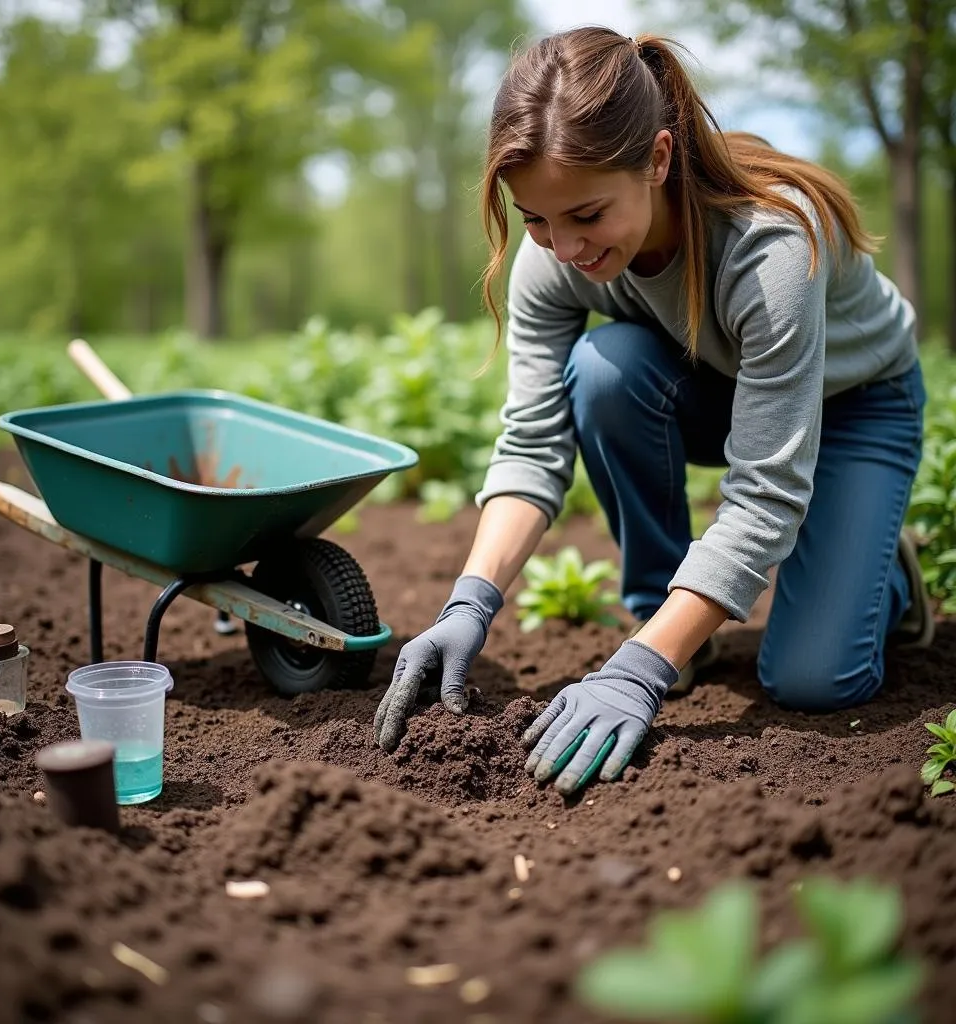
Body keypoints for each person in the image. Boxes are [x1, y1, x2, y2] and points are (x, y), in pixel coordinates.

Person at [372, 26, 933, 796]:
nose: (562, 247)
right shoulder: (553, 254)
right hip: (721, 388)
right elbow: (533, 445)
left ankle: (881, 567)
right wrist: (469, 602)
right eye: (535, 219)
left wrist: (633, 672)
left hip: (858, 407)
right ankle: (672, 626)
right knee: (605, 371)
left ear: (658, 159)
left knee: (814, 681)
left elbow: (764, 491)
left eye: (587, 216)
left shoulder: (770, 247)